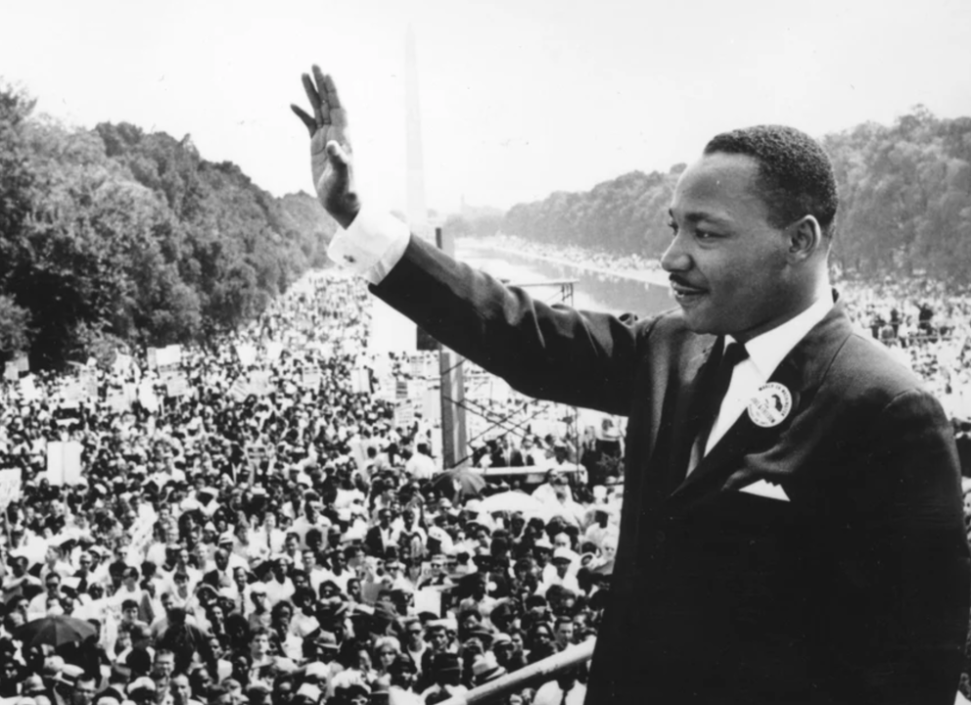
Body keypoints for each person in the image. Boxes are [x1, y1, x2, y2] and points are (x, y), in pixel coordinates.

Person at [292, 65, 971, 703]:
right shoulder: (671, 346)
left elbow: (913, 672)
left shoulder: (888, 410)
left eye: (705, 232)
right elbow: (513, 332)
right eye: (674, 227)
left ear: (799, 241)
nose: (671, 257)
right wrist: (357, 215)